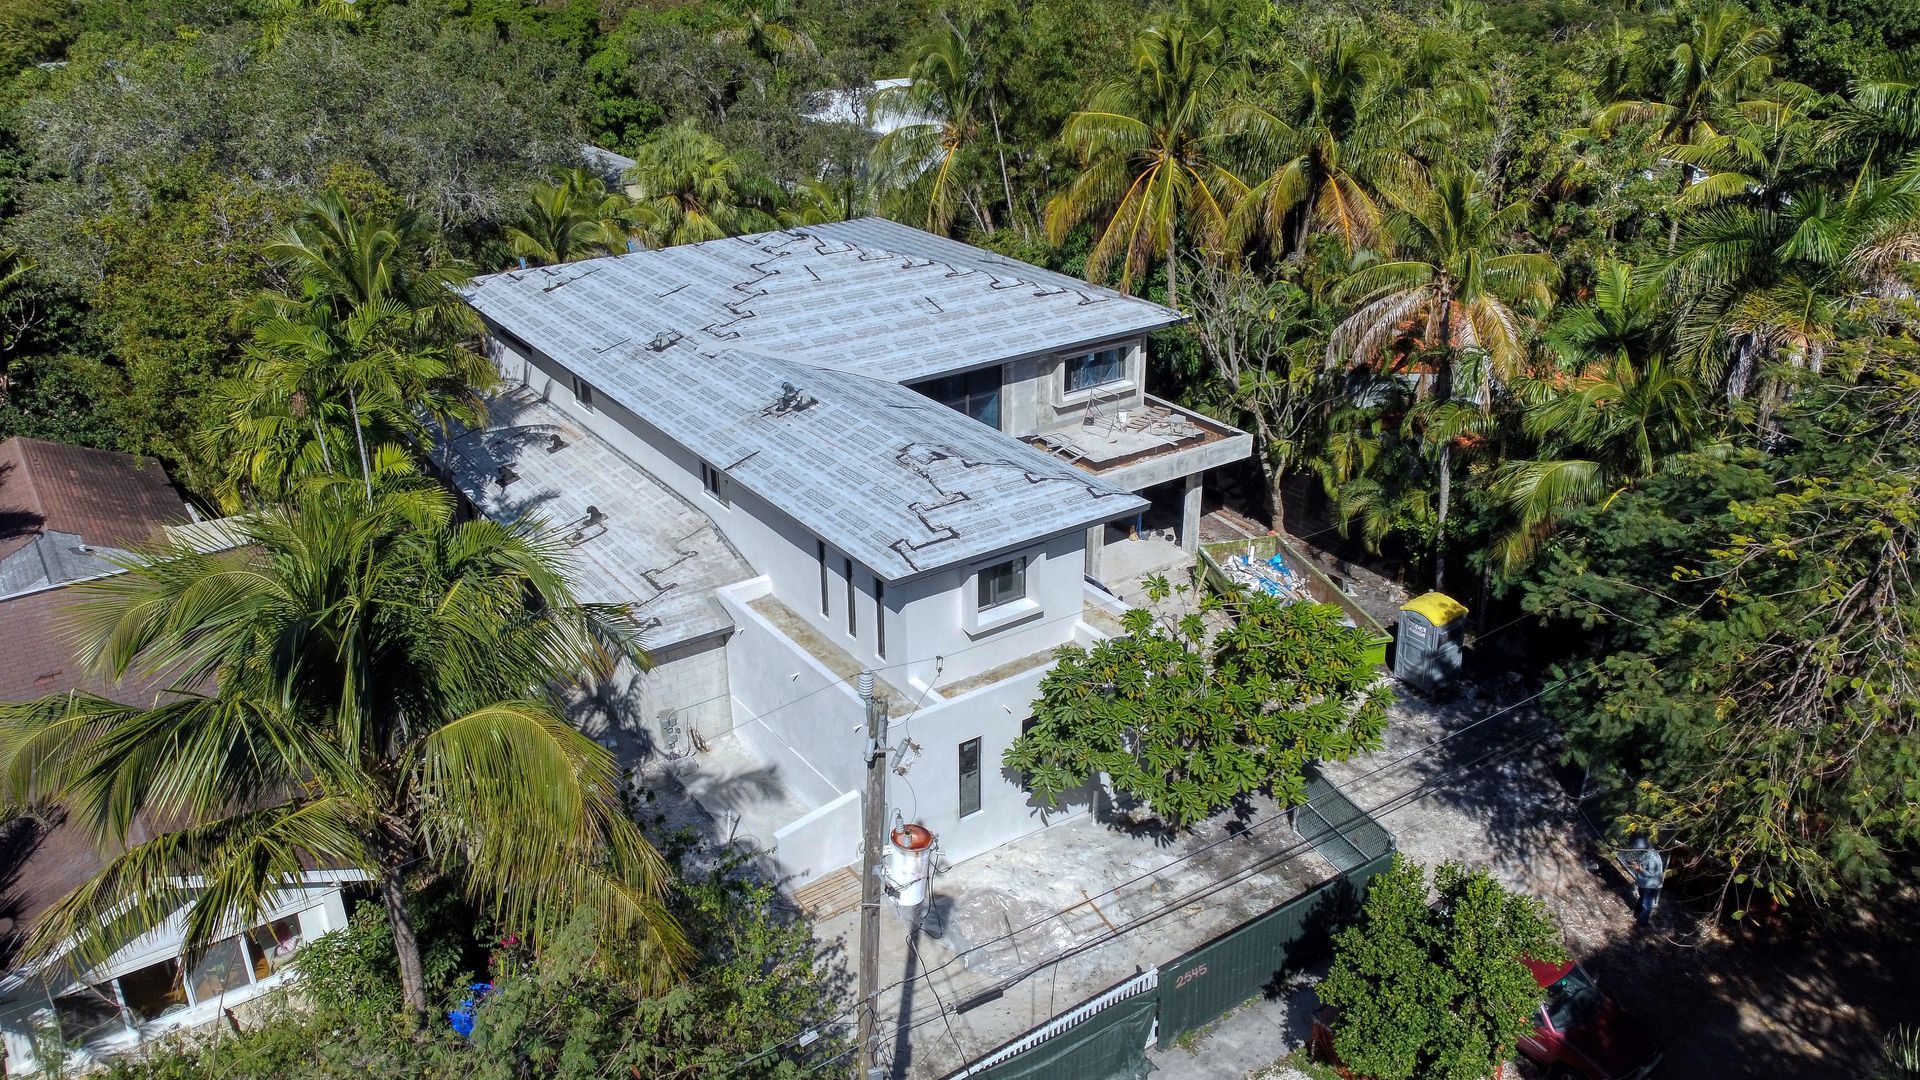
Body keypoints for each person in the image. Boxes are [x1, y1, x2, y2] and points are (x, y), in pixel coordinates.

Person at [1621, 837, 1665, 926]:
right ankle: (1636, 912)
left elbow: (1650, 875)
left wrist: (1639, 868)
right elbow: (1641, 862)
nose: (1638, 850)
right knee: (1642, 897)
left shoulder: (1653, 857)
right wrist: (1632, 863)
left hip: (1651, 885)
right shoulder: (1644, 853)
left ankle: (1643, 922)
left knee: (1646, 904)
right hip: (1644, 883)